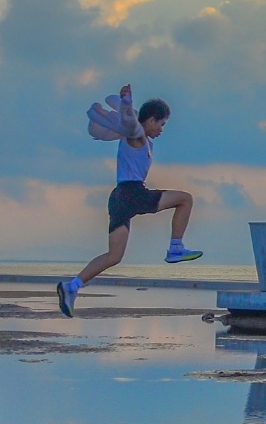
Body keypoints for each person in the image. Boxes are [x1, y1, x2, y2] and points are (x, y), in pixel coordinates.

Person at [57, 84, 202, 317]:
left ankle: (71, 286)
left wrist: (128, 105)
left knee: (114, 256)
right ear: (151, 120)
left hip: (119, 198)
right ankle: (176, 248)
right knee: (185, 199)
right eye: (162, 124)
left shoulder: (139, 139)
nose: (162, 129)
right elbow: (131, 122)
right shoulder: (136, 137)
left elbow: (131, 122)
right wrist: (126, 102)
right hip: (133, 193)